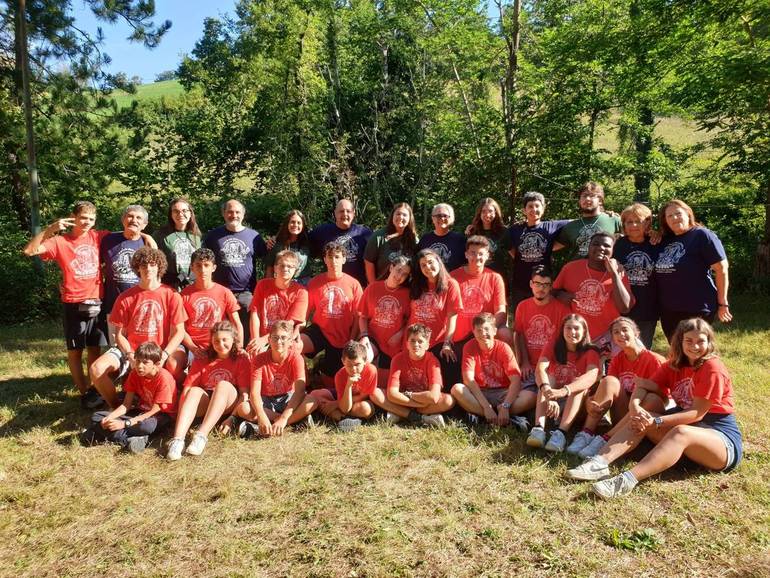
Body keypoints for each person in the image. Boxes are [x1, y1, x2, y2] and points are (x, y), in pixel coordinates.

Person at [567, 319, 742, 500]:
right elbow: (643, 385)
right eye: (689, 341)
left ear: (709, 342)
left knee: (680, 432)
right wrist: (635, 406)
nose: (695, 346)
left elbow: (696, 413)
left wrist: (657, 421)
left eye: (701, 341)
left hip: (720, 438)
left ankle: (626, 480)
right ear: (680, 341)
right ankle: (600, 462)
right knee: (642, 418)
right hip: (688, 440)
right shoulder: (673, 365)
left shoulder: (712, 367)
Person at [23, 201, 109, 408]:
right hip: (73, 302)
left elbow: (125, 238)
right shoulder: (60, 241)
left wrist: (147, 237)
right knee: (75, 351)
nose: (86, 222)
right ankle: (84, 393)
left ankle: (95, 388)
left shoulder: (99, 236)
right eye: (83, 218)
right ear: (73, 217)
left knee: (95, 349)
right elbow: (29, 251)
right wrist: (51, 229)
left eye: (90, 218)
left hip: (97, 300)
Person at [89, 247, 187, 408]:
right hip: (131, 349)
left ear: (159, 267)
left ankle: (177, 397)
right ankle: (117, 406)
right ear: (137, 268)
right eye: (143, 265)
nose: (148, 268)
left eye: (152, 264)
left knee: (173, 364)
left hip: (160, 349)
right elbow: (118, 335)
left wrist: (164, 354)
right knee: (96, 369)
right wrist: (130, 355)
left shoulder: (172, 295)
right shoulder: (125, 297)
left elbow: (179, 331)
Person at [564, 317, 666, 459]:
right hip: (623, 413)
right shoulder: (618, 359)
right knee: (609, 380)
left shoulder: (653, 359)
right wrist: (591, 403)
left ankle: (605, 439)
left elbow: (664, 398)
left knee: (650, 398)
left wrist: (642, 390)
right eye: (616, 332)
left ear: (636, 333)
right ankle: (586, 433)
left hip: (646, 417)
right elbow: (608, 388)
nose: (620, 335)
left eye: (625, 330)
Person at [166, 321, 251, 460]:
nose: (221, 344)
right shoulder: (202, 358)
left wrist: (232, 418)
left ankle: (201, 436)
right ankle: (177, 440)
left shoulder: (241, 359)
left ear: (233, 340)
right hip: (207, 402)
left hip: (228, 403)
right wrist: (179, 419)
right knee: (193, 391)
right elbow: (187, 389)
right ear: (211, 341)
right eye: (216, 340)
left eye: (225, 340)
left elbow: (245, 394)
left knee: (222, 385)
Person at [654, 199, 732, 342]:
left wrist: (723, 303)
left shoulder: (702, 235)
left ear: (688, 214)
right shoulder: (664, 240)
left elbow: (721, 269)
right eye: (669, 216)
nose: (674, 218)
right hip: (669, 310)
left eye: (678, 213)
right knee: (676, 352)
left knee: (694, 351)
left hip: (697, 307)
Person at [82, 342, 177, 454]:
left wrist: (125, 424)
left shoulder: (163, 378)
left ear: (157, 363)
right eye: (137, 361)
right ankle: (133, 439)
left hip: (160, 416)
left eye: (145, 362)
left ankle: (101, 434)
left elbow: (153, 412)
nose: (140, 366)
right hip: (140, 411)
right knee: (97, 417)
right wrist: (111, 417)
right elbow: (126, 405)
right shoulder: (135, 373)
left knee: (146, 427)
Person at [526, 314, 600, 453]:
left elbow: (591, 376)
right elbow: (540, 369)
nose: (572, 332)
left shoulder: (591, 351)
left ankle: (561, 434)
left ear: (584, 331)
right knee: (547, 378)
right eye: (568, 328)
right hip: (553, 400)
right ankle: (538, 429)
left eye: (577, 328)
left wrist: (564, 391)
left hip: (578, 405)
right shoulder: (553, 345)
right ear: (562, 330)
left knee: (579, 386)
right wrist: (549, 392)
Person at [552, 232, 633, 353]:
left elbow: (625, 308)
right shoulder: (570, 268)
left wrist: (614, 274)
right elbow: (553, 291)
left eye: (606, 246)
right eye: (595, 244)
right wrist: (560, 295)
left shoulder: (619, 272)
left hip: (608, 336)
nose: (601, 248)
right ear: (588, 247)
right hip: (577, 335)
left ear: (612, 250)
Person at [235, 320, 318, 438]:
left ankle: (268, 427)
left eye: (284, 338)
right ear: (269, 340)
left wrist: (284, 419)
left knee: (312, 401)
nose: (279, 342)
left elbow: (299, 391)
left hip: (287, 398)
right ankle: (294, 422)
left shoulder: (296, 358)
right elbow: (254, 393)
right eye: (275, 337)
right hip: (267, 401)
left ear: (290, 342)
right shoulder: (259, 360)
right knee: (243, 408)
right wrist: (261, 415)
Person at [451, 313, 531, 430]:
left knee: (530, 396)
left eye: (487, 329)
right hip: (480, 393)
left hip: (502, 393)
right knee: (457, 389)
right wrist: (486, 407)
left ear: (494, 331)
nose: (483, 334)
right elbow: (468, 379)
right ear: (473, 332)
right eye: (479, 330)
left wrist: (506, 406)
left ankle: (486, 415)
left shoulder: (504, 348)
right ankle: (499, 418)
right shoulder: (469, 346)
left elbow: (516, 380)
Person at [203, 199, 267, 344]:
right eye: (230, 212)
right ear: (224, 214)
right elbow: (204, 261)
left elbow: (266, 259)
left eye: (237, 212)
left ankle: (244, 361)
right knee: (220, 332)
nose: (234, 215)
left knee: (246, 332)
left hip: (246, 293)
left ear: (243, 215)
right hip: (220, 292)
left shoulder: (254, 236)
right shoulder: (213, 236)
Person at [302, 241, 364, 382]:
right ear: (324, 259)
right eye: (329, 257)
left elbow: (358, 316)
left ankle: (320, 367)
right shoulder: (315, 282)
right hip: (320, 330)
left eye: (336, 257)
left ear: (343, 259)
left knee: (329, 382)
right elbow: (305, 312)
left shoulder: (354, 284)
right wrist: (298, 331)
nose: (333, 261)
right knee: (294, 346)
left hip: (343, 336)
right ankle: (303, 382)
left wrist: (352, 340)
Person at [408, 248, 463, 387]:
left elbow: (452, 317)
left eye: (430, 262)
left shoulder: (451, 285)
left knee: (448, 368)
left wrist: (447, 343)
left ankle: (450, 403)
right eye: (423, 265)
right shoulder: (416, 284)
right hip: (414, 340)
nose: (428, 267)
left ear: (439, 261)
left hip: (437, 341)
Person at [383, 323, 454, 427]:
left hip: (415, 399)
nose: (416, 344)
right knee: (375, 393)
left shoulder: (433, 361)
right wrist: (416, 403)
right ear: (407, 344)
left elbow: (434, 397)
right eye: (412, 340)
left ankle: (400, 413)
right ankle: (423, 417)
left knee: (449, 401)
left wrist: (410, 395)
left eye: (420, 341)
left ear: (427, 345)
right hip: (406, 401)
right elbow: (392, 394)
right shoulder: (397, 359)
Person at [507, 191, 569, 311]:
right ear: (524, 210)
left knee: (543, 317)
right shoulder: (515, 230)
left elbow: (577, 222)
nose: (534, 209)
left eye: (537, 206)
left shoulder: (551, 226)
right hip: (520, 284)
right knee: (521, 319)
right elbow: (500, 236)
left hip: (543, 285)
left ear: (543, 208)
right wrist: (473, 228)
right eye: (530, 206)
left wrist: (605, 215)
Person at [513, 266, 571, 392]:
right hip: (529, 367)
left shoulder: (562, 310)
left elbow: (566, 342)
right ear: (531, 284)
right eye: (537, 283)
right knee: (519, 394)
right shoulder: (522, 306)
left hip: (551, 367)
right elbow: (519, 335)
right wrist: (524, 362)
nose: (541, 288)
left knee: (543, 393)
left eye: (546, 285)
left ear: (551, 286)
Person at [358, 255, 412, 387]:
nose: (400, 276)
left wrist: (400, 334)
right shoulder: (373, 288)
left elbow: (411, 319)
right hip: (373, 337)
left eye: (405, 274)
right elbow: (363, 316)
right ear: (391, 267)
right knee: (363, 360)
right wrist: (364, 336)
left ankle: (376, 403)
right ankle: (354, 394)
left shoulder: (407, 294)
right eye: (398, 270)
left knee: (382, 384)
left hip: (393, 344)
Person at [181, 248, 243, 361]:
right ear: (192, 268)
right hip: (193, 346)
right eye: (198, 265)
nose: (202, 270)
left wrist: (239, 347)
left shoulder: (225, 292)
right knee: (175, 364)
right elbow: (180, 329)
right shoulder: (184, 295)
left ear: (213, 267)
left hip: (220, 344)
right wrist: (194, 348)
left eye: (206, 265)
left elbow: (237, 324)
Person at [612, 203, 660, 348]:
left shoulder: (656, 242)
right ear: (624, 224)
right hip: (621, 305)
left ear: (647, 223)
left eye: (638, 221)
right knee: (619, 347)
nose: (633, 225)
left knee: (642, 348)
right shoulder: (617, 243)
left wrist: (658, 233)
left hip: (648, 307)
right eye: (629, 222)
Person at [99, 205, 156, 327]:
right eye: (130, 216)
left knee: (138, 341)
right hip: (113, 301)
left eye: (139, 218)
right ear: (123, 219)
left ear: (144, 224)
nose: (134, 220)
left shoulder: (147, 243)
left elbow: (156, 274)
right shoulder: (108, 240)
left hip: (140, 301)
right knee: (114, 343)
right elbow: (94, 263)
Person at [451, 236, 510, 348]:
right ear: (466, 254)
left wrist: (485, 331)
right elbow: (447, 310)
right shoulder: (453, 277)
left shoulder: (495, 278)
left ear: (487, 256)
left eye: (481, 253)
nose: (477, 257)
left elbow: (501, 311)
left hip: (485, 336)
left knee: (505, 333)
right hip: (459, 336)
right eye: (473, 253)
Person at [309, 340, 377, 432]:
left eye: (357, 364)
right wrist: (348, 385)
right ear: (343, 361)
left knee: (365, 408)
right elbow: (345, 407)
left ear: (365, 361)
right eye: (349, 365)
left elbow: (364, 396)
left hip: (359, 402)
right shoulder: (339, 375)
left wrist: (336, 404)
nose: (353, 369)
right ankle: (347, 419)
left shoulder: (371, 370)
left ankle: (338, 416)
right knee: (315, 394)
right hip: (344, 399)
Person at [248, 250, 308, 352]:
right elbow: (255, 314)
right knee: (253, 354)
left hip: (283, 338)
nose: (285, 269)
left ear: (295, 270)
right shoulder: (262, 285)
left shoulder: (301, 292)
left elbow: (288, 324)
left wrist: (264, 340)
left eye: (290, 267)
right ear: (275, 267)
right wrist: (255, 340)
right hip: (261, 336)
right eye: (282, 265)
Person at [307, 199, 372, 286]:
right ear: (335, 213)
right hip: (330, 286)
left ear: (354, 213)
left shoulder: (365, 233)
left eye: (348, 211)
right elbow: (302, 243)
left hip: (358, 287)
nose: (345, 214)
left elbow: (374, 259)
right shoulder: (322, 232)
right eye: (341, 211)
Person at [556, 182, 622, 261]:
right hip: (578, 270)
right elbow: (550, 247)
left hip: (606, 270)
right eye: (584, 196)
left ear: (600, 200)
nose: (587, 199)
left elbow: (633, 240)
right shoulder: (570, 226)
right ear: (579, 201)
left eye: (591, 196)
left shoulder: (613, 220)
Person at [153, 197, 202, 291]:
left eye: (184, 211)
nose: (180, 214)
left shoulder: (196, 235)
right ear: (171, 214)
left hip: (192, 285)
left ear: (190, 213)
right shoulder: (160, 235)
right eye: (176, 211)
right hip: (169, 285)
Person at [364, 202, 419, 283]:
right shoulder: (379, 236)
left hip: (405, 289)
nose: (401, 217)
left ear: (410, 219)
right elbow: (369, 262)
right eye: (398, 214)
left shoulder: (414, 240)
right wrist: (373, 285)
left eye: (404, 215)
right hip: (382, 286)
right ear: (392, 216)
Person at [264, 209, 311, 282]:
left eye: (299, 223)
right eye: (292, 222)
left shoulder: (308, 242)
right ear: (287, 224)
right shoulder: (276, 244)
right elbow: (269, 269)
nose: (295, 225)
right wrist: (269, 287)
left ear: (303, 226)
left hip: (303, 285)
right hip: (282, 283)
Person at [417, 203, 466, 272]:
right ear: (432, 218)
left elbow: (465, 264)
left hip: (452, 280)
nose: (442, 218)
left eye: (445, 216)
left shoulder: (459, 239)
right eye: (438, 216)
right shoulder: (425, 239)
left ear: (451, 218)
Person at [465, 197, 508, 273]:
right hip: (478, 276)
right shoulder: (473, 231)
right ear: (479, 213)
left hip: (499, 276)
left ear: (495, 212)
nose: (487, 214)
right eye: (483, 211)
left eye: (490, 211)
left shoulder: (504, 231)